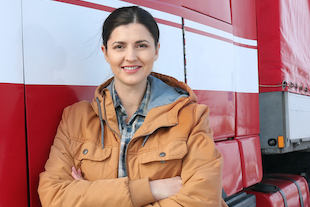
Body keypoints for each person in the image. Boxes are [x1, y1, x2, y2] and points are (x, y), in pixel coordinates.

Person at [38, 6, 226, 207]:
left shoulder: (191, 117)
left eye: (141, 45)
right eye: (119, 46)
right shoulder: (75, 119)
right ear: (106, 52)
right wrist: (153, 189)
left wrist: (92, 195)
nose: (130, 56)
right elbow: (54, 196)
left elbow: (201, 201)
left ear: (156, 50)